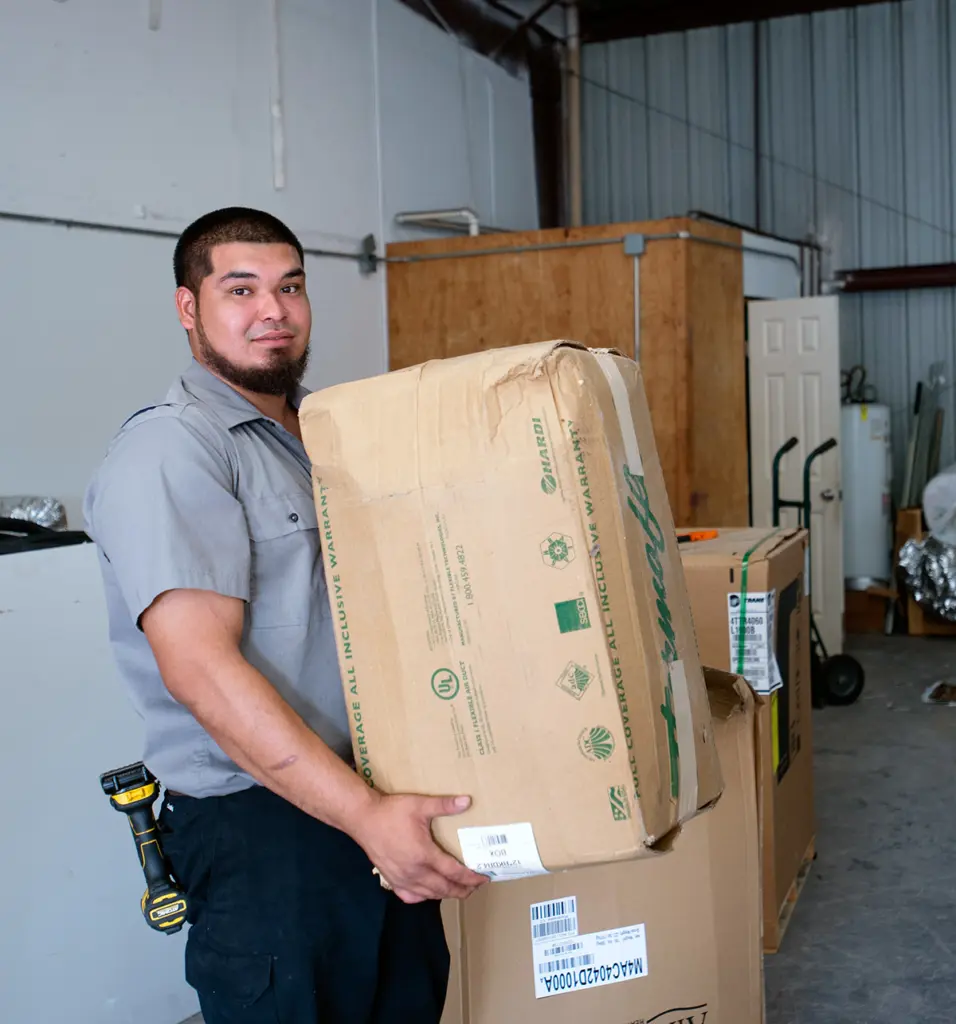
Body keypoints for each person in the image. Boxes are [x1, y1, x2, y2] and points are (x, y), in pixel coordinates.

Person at [84, 207, 487, 1023]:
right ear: (188, 308)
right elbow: (202, 671)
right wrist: (365, 816)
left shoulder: (322, 438)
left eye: (290, 286)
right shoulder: (175, 450)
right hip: (265, 833)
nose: (274, 309)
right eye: (241, 288)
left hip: (369, 802)